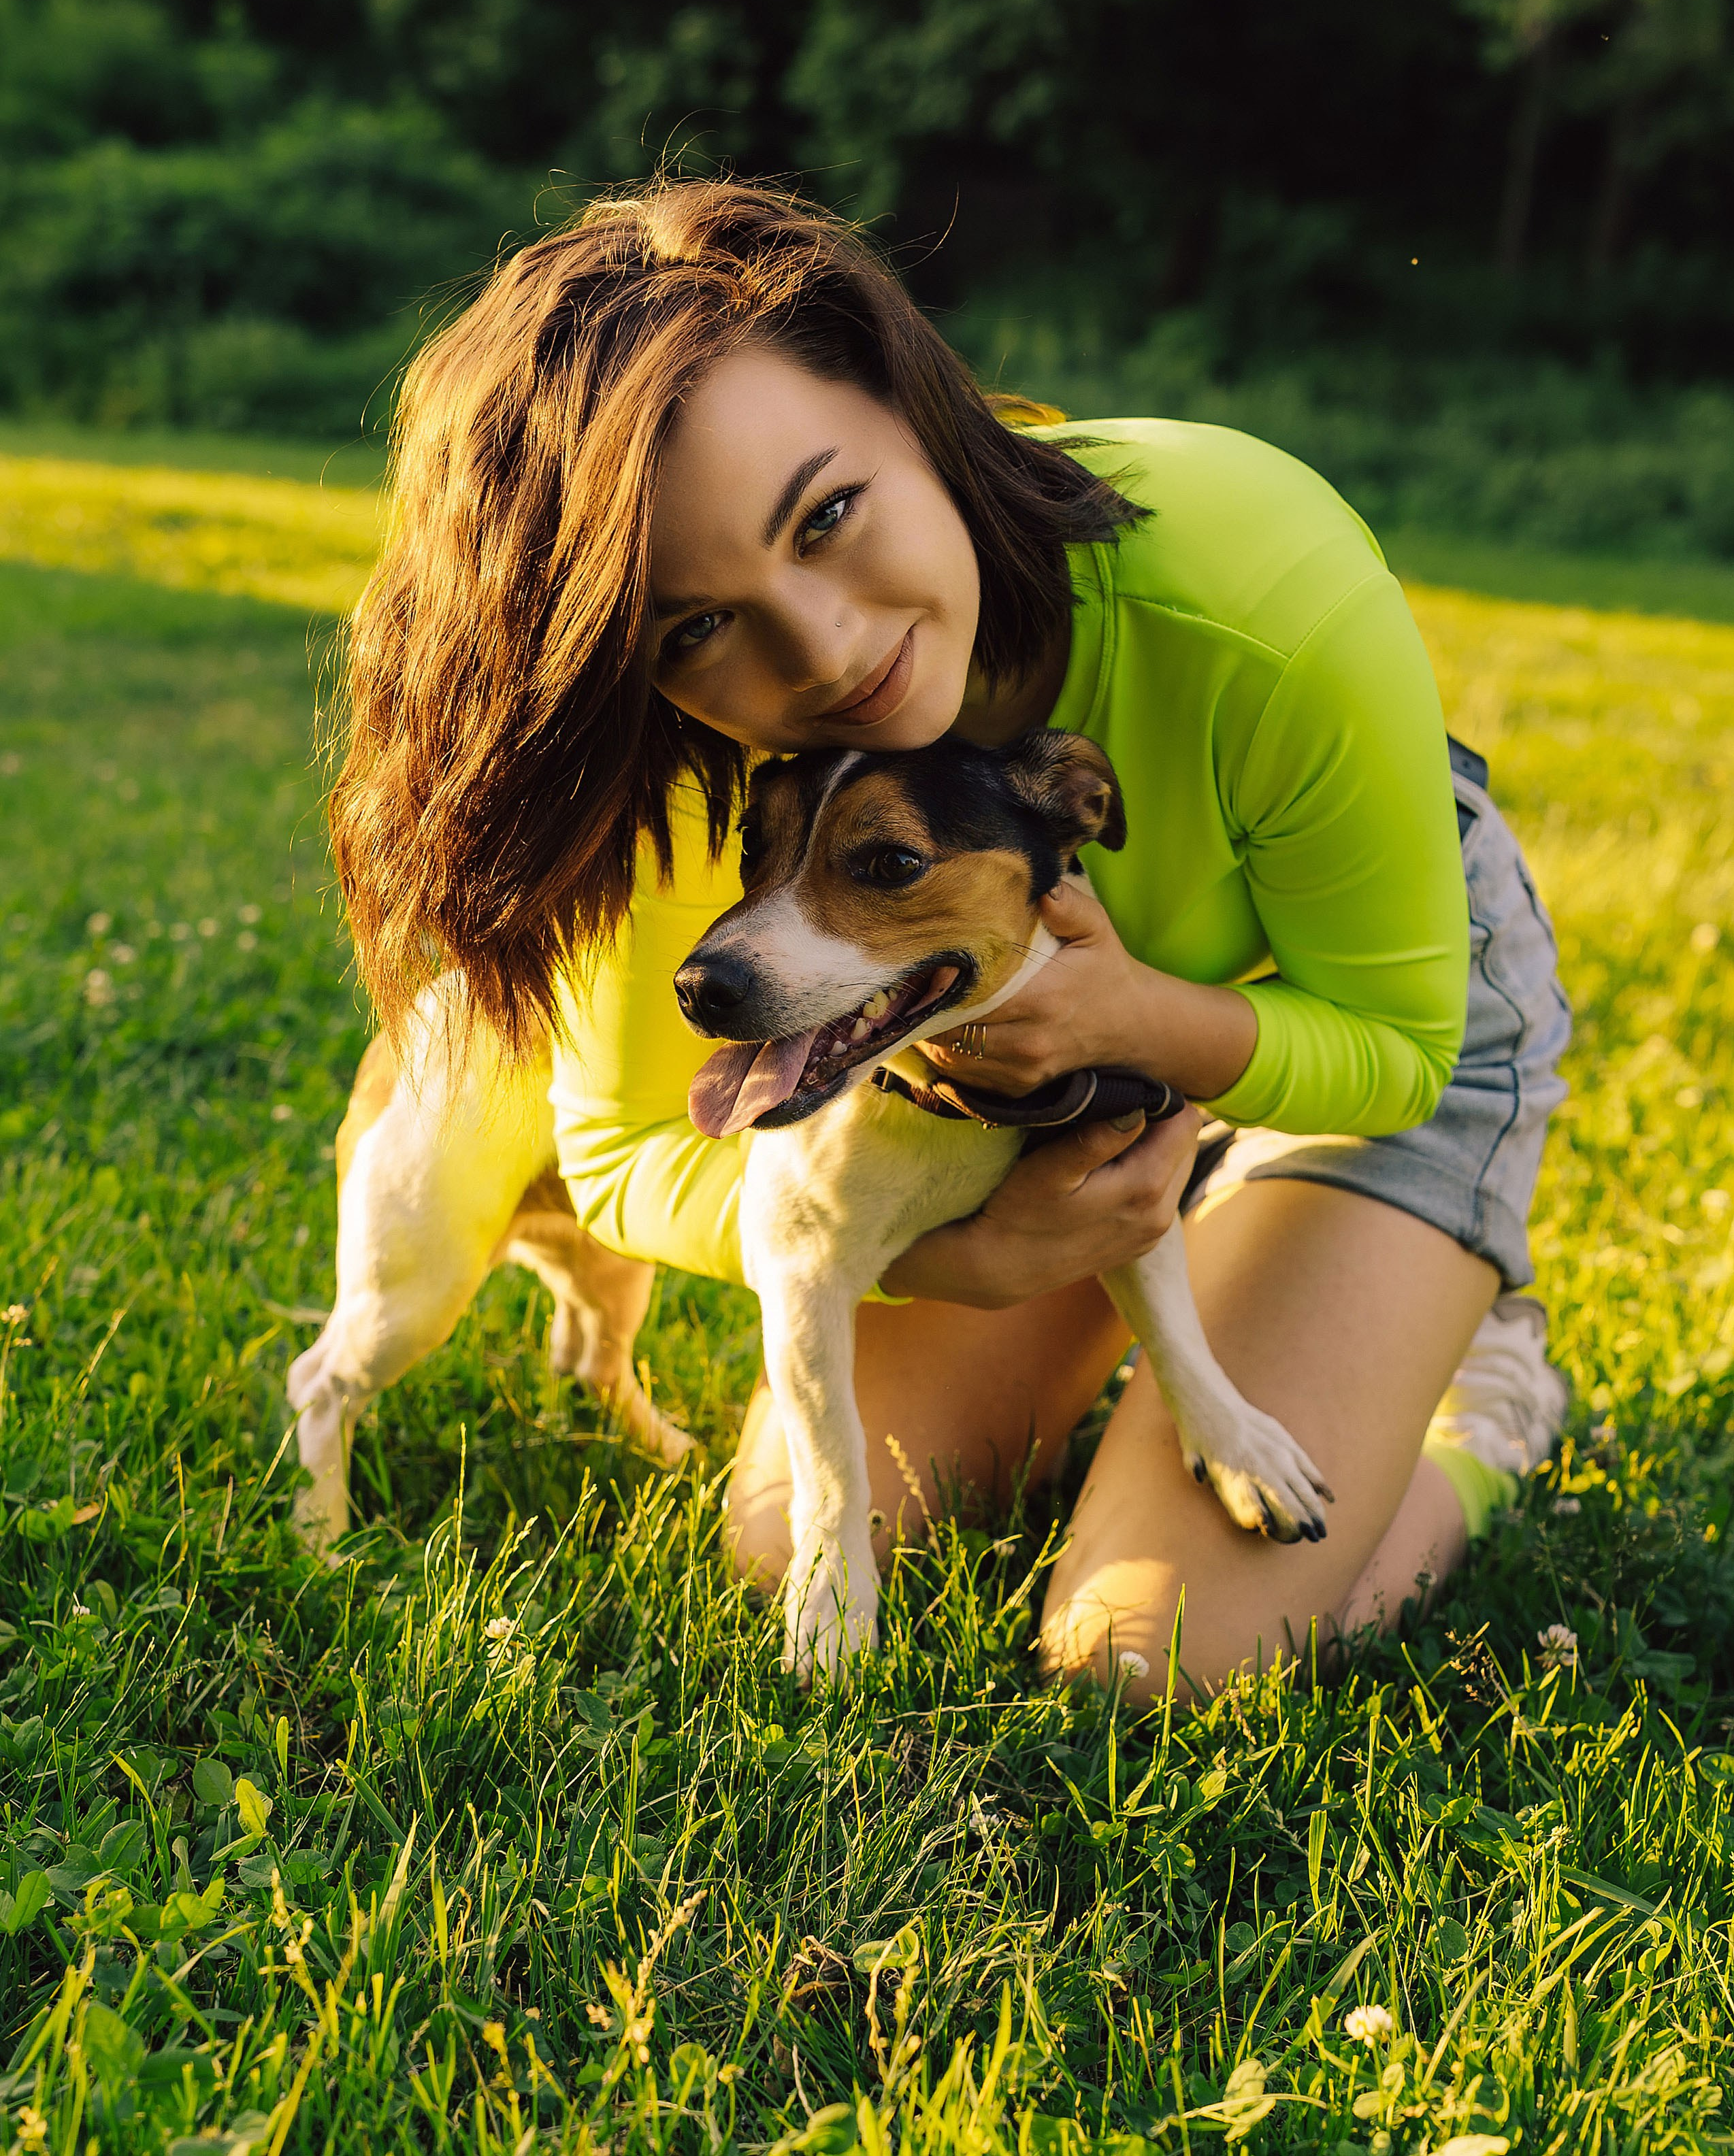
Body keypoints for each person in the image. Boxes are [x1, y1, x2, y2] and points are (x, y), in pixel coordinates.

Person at [329, 176, 1571, 1699]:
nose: (826, 650)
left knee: (1152, 1656)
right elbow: (630, 1151)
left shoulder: (1252, 582)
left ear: (913, 399)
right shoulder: (698, 762)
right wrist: (967, 1258)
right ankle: (1155, 1304)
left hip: (1346, 1027)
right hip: (997, 1125)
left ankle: (1479, 1401)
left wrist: (1125, 1024)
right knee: (787, 1543)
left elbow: (1396, 1050)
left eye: (827, 515)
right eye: (696, 624)